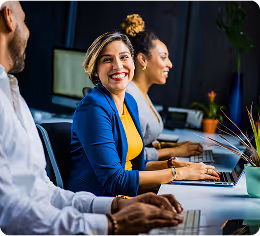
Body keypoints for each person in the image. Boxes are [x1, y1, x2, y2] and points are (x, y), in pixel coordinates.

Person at [0, 1, 184, 235]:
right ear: (8, 17)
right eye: (24, 20)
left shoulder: (12, 94)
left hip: (98, 209)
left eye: (124, 57)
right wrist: (111, 223)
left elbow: (44, 193)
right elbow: (13, 214)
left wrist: (117, 206)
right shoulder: (93, 107)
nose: (27, 32)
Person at [68, 31, 220, 197]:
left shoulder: (130, 102)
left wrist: (177, 166)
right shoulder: (93, 108)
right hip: (100, 202)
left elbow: (136, 166)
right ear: (95, 70)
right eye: (107, 60)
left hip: (128, 196)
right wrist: (179, 174)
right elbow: (114, 180)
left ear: (133, 63)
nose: (118, 66)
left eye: (124, 57)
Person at [123, 14, 205, 162]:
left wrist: (168, 146)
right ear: (143, 59)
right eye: (163, 57)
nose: (170, 64)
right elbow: (130, 157)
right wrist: (172, 151)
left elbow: (143, 141)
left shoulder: (140, 93)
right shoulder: (129, 97)